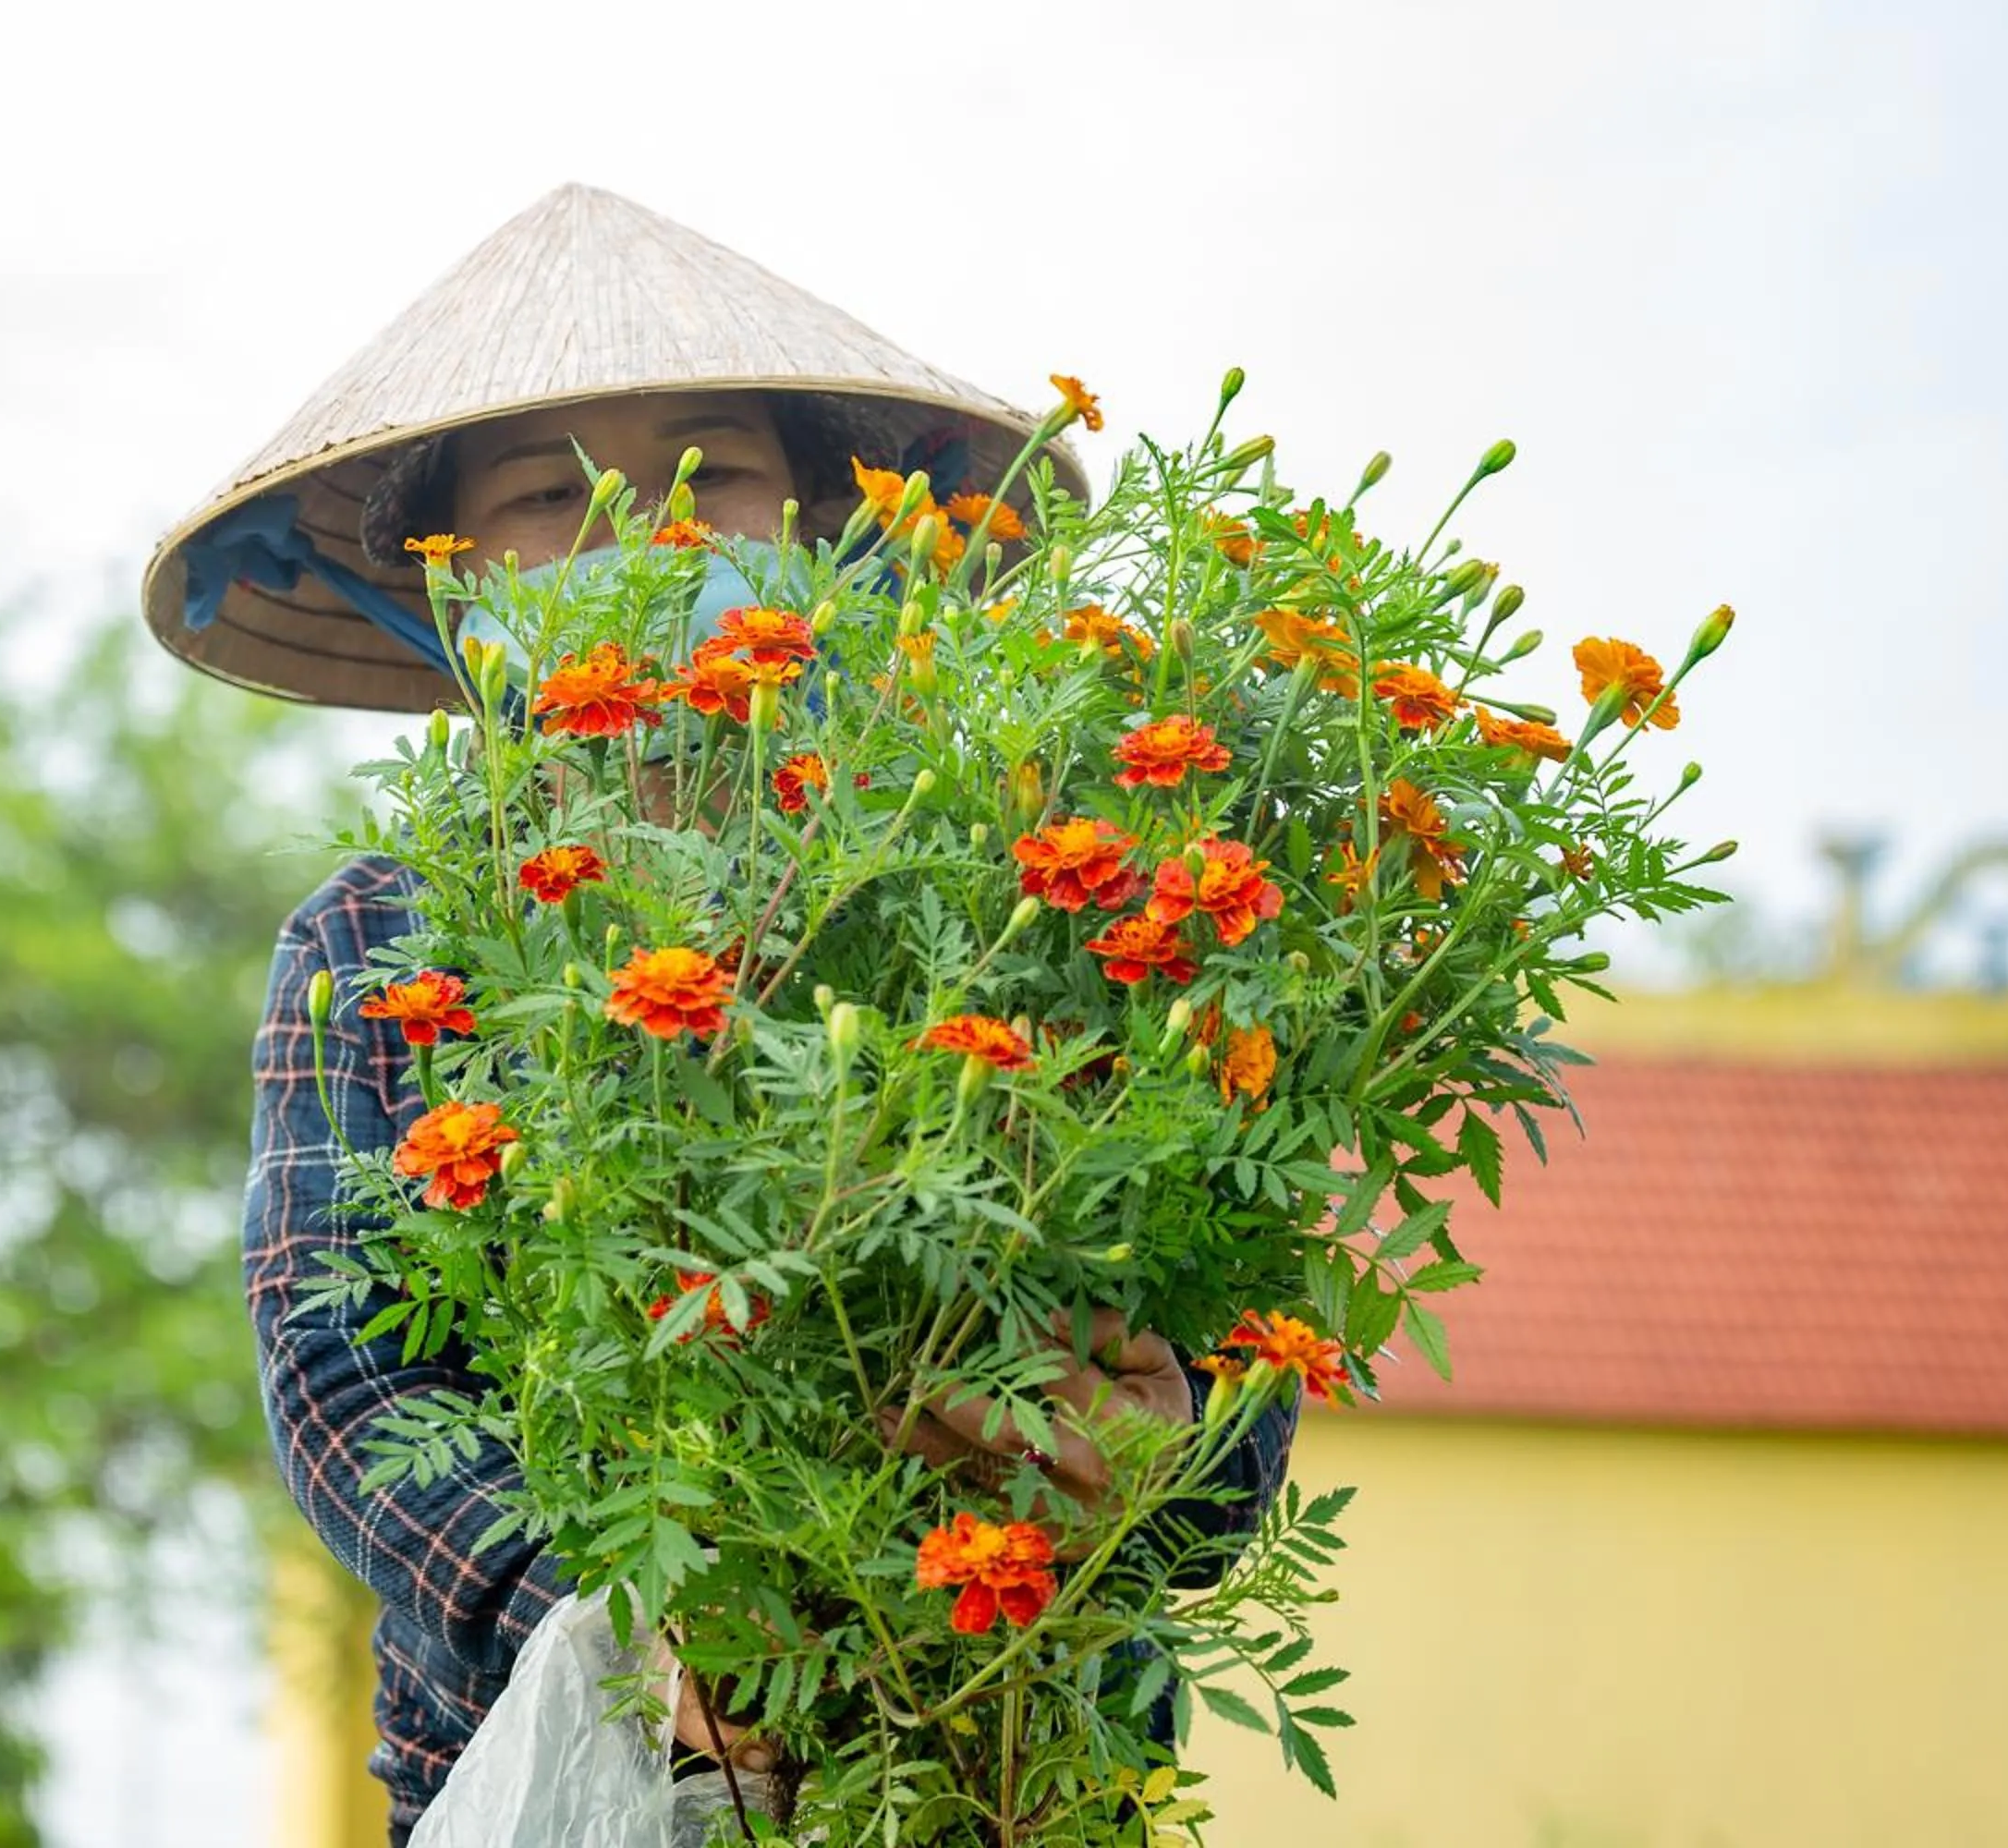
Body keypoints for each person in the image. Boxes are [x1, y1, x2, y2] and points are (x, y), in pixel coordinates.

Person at [143, 186, 1299, 1842]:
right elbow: (338, 1376)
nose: (643, 529)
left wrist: (1174, 1449)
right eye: (549, 493)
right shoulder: (378, 938)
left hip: (1000, 1758)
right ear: (454, 588)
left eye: (713, 470)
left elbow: (1208, 1289)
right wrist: (626, 1627)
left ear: (822, 531)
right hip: (546, 1773)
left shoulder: (995, 895)